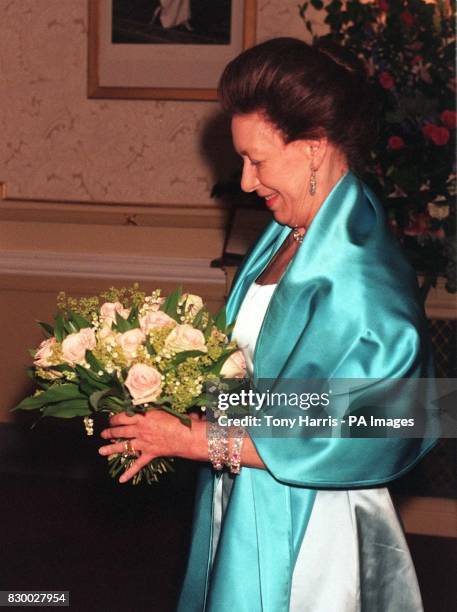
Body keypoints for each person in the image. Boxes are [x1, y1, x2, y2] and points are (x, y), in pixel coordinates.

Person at [99, 38, 438, 611]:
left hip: (312, 525)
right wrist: (177, 405)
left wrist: (194, 440)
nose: (248, 181)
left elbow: (403, 415)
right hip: (248, 492)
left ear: (313, 147)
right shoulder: (290, 233)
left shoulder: (359, 271)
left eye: (257, 159)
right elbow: (266, 385)